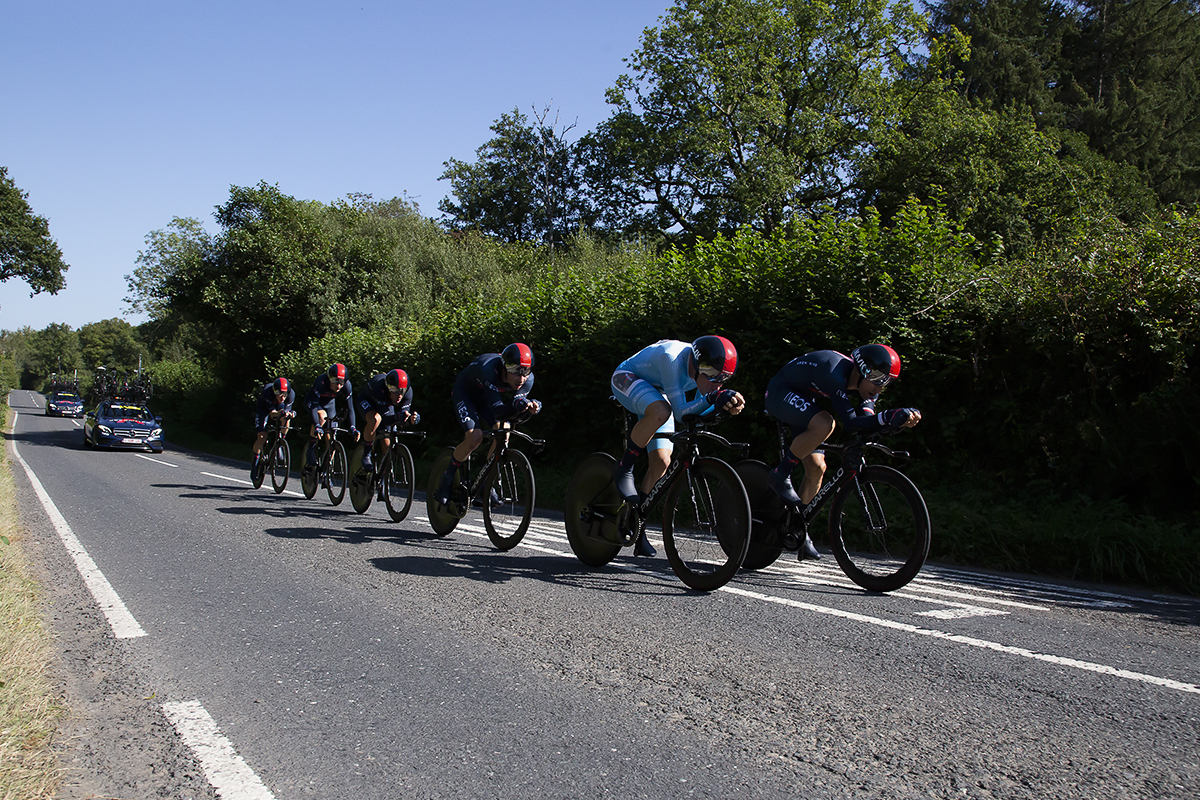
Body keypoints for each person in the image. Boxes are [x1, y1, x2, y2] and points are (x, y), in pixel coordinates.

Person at [763, 344, 921, 559]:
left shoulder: (868, 388)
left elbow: (866, 420)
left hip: (807, 399)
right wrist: (887, 417)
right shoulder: (836, 376)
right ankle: (780, 475)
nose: (879, 387)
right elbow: (852, 423)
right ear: (862, 369)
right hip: (781, 392)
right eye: (877, 378)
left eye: (886, 381)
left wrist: (899, 419)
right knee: (825, 424)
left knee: (818, 468)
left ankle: (798, 526)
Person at [610, 335, 746, 557]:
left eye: (724, 379)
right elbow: (682, 413)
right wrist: (714, 398)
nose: (717, 384)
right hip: (627, 378)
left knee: (662, 461)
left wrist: (725, 407)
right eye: (713, 376)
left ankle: (638, 526)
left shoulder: (702, 370)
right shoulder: (672, 359)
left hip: (660, 391)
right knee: (662, 411)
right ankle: (624, 466)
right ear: (699, 365)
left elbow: (697, 412)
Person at [434, 343, 542, 503]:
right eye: (515, 372)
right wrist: (518, 406)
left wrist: (531, 406)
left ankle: (486, 482)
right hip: (465, 393)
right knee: (474, 437)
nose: (521, 379)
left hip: (486, 397)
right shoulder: (489, 370)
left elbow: (517, 402)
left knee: (504, 431)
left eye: (525, 372)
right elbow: (499, 410)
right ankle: (447, 478)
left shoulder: (527, 379)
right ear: (505, 368)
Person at [355, 368, 418, 472]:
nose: (400, 395)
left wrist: (412, 419)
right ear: (389, 388)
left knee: (388, 440)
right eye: (396, 391)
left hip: (386, 403)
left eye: (402, 391)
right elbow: (386, 420)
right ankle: (366, 455)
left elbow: (403, 415)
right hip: (368, 401)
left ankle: (384, 473)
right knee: (375, 419)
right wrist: (397, 417)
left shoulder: (408, 392)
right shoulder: (379, 388)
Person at [303, 363, 358, 470]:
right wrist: (317, 426)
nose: (338, 386)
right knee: (322, 416)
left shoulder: (347, 385)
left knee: (332, 435)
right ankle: (311, 446)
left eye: (341, 383)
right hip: (314, 403)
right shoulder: (321, 382)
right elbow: (314, 406)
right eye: (335, 382)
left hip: (329, 405)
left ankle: (327, 468)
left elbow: (350, 408)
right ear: (329, 378)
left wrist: (353, 427)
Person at [251, 377, 295, 478]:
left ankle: (280, 441)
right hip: (264, 408)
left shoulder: (291, 394)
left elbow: (287, 411)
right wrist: (280, 413)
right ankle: (255, 464)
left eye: (284, 394)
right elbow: (272, 414)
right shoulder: (267, 392)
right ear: (274, 391)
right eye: (279, 393)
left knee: (286, 418)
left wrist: (289, 414)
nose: (282, 397)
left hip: (279, 408)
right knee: (262, 436)